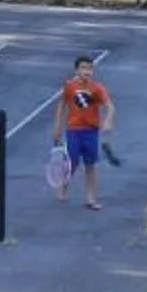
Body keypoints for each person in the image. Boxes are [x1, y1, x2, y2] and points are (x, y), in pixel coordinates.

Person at [52, 56, 114, 210]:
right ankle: (63, 186)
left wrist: (108, 120)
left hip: (91, 131)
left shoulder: (97, 88)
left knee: (90, 165)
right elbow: (62, 104)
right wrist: (58, 126)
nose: (87, 71)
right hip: (74, 130)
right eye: (83, 68)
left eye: (89, 68)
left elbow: (110, 106)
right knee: (72, 162)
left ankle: (91, 198)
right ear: (77, 70)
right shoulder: (69, 86)